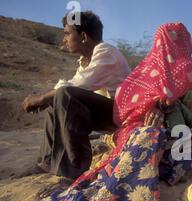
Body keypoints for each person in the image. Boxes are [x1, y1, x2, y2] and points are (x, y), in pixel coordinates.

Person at [11, 22, 192, 201]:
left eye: (179, 42)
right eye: (171, 41)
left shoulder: (186, 72)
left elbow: (191, 110)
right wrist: (151, 109)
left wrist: (172, 111)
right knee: (145, 137)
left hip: (173, 134)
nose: (174, 48)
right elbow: (126, 109)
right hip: (134, 132)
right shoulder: (144, 73)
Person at [18, 11, 130, 181]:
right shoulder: (86, 59)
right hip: (111, 114)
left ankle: (74, 166)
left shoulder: (106, 52)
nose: (64, 39)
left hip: (124, 116)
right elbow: (73, 83)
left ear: (83, 36)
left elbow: (78, 86)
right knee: (57, 99)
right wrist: (48, 99)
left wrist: (41, 98)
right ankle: (46, 161)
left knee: (65, 95)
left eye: (67, 34)